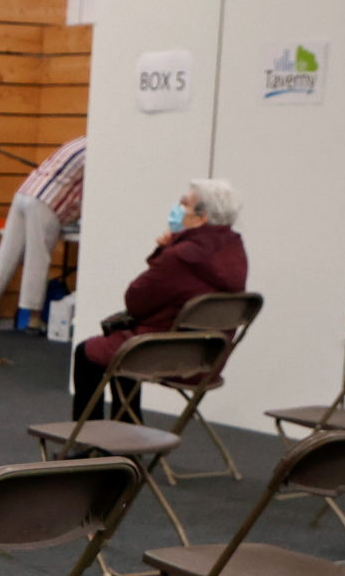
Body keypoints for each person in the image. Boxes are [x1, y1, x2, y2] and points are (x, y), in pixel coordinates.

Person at [72, 177, 246, 420]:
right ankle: (125, 429)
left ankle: (88, 440)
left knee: (88, 352)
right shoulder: (233, 251)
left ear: (201, 217)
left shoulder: (181, 256)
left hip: (164, 355)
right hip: (207, 359)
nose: (177, 208)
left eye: (183, 204)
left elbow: (136, 301)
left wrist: (165, 251)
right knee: (125, 344)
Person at [0, 135, 84, 329]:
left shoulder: (77, 141)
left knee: (7, 252)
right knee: (37, 260)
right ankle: (33, 319)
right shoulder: (97, 152)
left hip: (25, 192)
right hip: (46, 202)